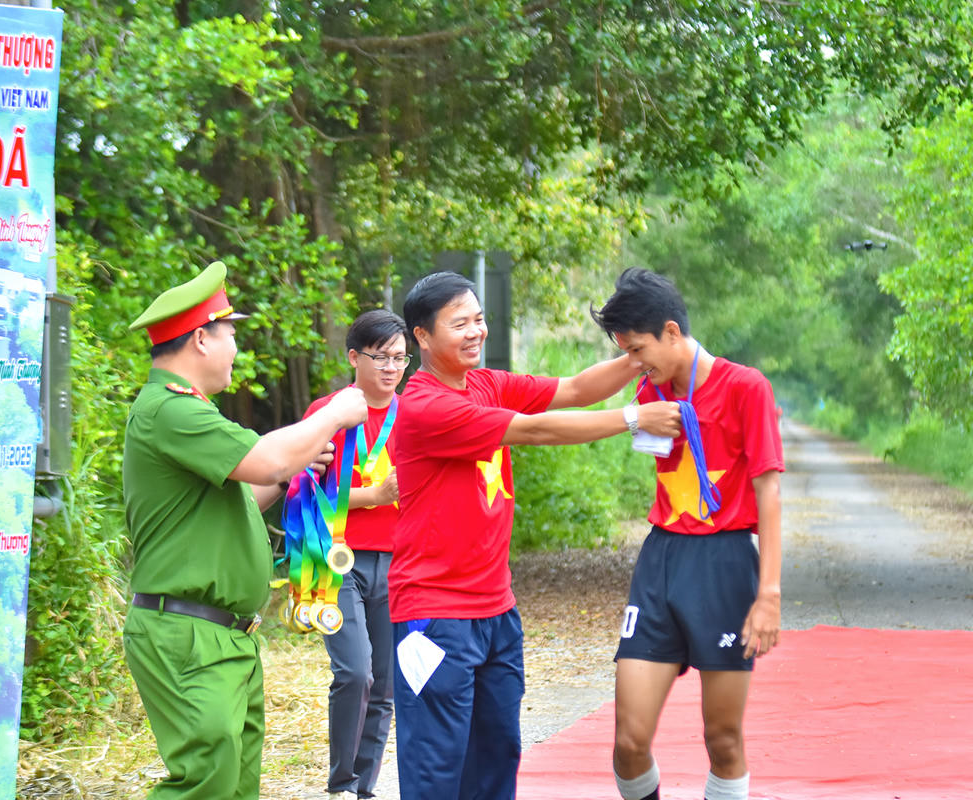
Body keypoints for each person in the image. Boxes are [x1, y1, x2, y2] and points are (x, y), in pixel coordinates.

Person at [388, 271, 683, 799]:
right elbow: (534, 429)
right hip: (435, 617)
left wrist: (642, 353)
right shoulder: (425, 406)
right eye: (459, 324)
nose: (476, 331)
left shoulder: (485, 383)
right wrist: (633, 417)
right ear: (422, 337)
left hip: (497, 610)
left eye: (479, 319)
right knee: (437, 771)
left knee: (498, 758)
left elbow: (574, 390)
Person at [121, 261, 368, 800]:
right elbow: (269, 458)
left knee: (234, 787)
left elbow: (246, 495)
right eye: (231, 333)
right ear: (201, 338)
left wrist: (291, 476)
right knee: (205, 783)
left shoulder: (191, 414)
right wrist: (333, 415)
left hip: (222, 635)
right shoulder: (171, 411)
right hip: (189, 633)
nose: (236, 348)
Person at [590, 267, 783, 800]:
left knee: (722, 739)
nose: (634, 362)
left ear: (672, 331)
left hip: (725, 564)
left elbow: (769, 493)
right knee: (628, 741)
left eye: (638, 349)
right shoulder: (650, 391)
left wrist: (768, 595)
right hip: (661, 561)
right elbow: (591, 392)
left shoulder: (746, 387)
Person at [302, 309, 409, 800]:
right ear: (353, 357)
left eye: (400, 358)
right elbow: (303, 493)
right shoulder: (328, 411)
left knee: (384, 686)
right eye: (381, 357)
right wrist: (374, 496)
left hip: (399, 561)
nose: (391, 368)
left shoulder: (414, 414)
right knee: (354, 672)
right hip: (336, 560)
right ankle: (341, 784)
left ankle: (364, 789)